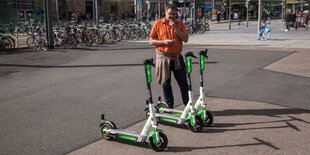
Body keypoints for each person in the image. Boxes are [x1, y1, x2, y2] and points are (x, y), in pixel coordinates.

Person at [149, 4, 189, 108]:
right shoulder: (158, 24)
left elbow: (185, 39)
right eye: (170, 13)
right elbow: (151, 41)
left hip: (177, 57)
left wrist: (175, 27)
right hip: (163, 57)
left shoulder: (179, 24)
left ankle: (188, 106)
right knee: (165, 83)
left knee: (183, 83)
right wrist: (164, 42)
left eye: (174, 14)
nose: (172, 16)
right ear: (165, 12)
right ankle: (169, 106)